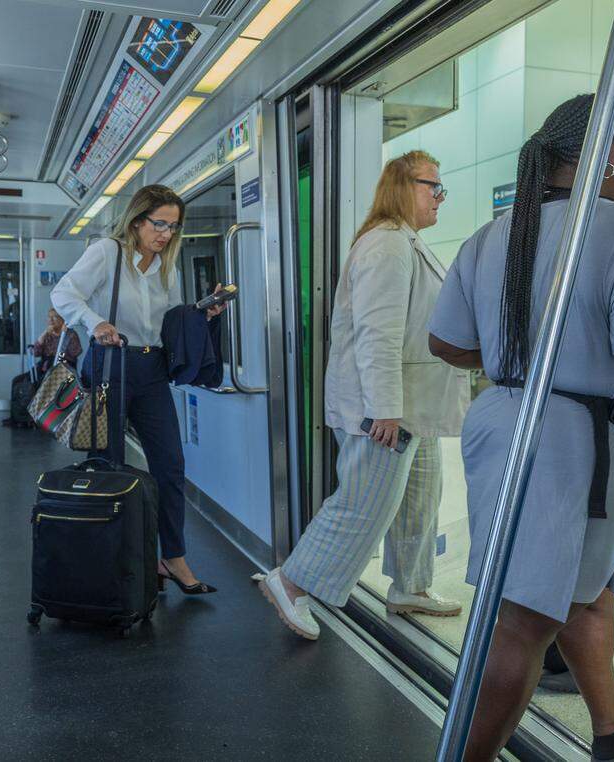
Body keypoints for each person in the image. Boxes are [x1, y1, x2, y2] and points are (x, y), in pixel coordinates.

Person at [426, 94, 614, 761]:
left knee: (585, 591)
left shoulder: (494, 233)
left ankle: (613, 731)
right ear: (602, 153)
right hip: (572, 440)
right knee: (522, 623)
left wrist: (516, 359)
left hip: (506, 417)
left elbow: (448, 343)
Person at [260, 150, 470, 640]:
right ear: (402, 186)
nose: (440, 196)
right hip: (382, 411)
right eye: (432, 185)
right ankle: (291, 582)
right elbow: (378, 335)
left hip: (411, 406)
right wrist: (385, 410)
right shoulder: (386, 246)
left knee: (420, 498)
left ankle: (410, 586)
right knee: (365, 503)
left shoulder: (409, 242)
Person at [51, 184, 226, 594]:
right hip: (110, 362)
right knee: (108, 465)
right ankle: (112, 558)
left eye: (173, 227)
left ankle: (172, 556)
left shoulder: (167, 265)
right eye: (159, 224)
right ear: (137, 220)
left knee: (170, 463)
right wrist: (95, 322)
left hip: (151, 368)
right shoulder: (107, 253)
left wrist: (203, 313)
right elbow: (64, 293)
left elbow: (171, 322)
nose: (165, 234)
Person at [32, 307, 82, 372]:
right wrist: (44, 333)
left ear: (62, 319)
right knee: (17, 380)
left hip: (65, 372)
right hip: (45, 370)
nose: (50, 320)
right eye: (49, 317)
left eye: (54, 317)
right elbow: (36, 353)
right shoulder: (47, 335)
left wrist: (65, 335)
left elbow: (75, 353)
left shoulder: (71, 334)